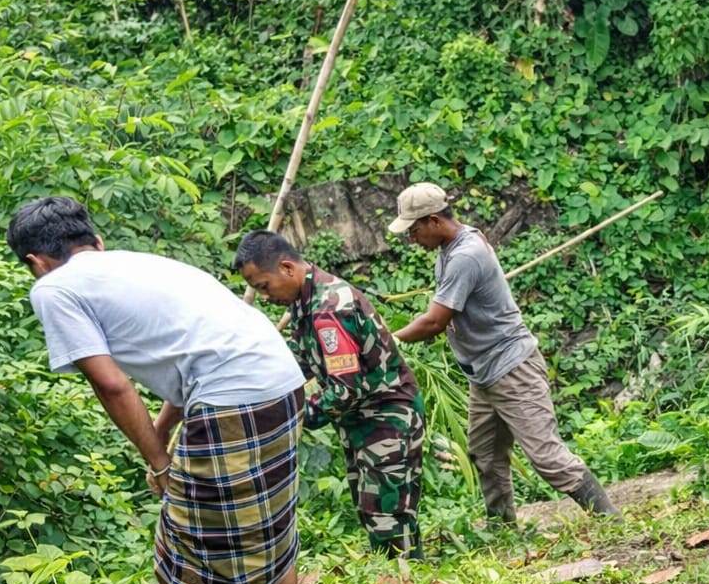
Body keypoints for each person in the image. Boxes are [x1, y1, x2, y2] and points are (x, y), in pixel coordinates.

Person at [7, 196, 311, 584]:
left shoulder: (53, 287)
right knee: (271, 526)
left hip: (231, 400)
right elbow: (191, 355)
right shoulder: (142, 265)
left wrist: (160, 462)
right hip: (281, 385)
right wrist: (166, 436)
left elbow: (110, 382)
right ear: (93, 242)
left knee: (182, 555)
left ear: (35, 261)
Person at [387, 182, 619, 527]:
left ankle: (610, 520)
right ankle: (502, 527)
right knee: (486, 455)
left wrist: (388, 340)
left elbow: (435, 321)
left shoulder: (465, 256)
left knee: (546, 456)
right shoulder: (451, 249)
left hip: (512, 369)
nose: (412, 238)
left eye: (415, 229)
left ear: (434, 220)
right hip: (483, 374)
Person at [236, 230, 426, 559]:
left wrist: (292, 415)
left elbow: (345, 389)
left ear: (286, 268)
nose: (265, 296)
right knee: (372, 511)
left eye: (264, 286)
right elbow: (296, 365)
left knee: (387, 516)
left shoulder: (329, 308)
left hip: (387, 418)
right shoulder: (303, 303)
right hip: (362, 422)